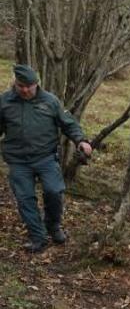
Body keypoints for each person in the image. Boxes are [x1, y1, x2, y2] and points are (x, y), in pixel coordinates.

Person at [0, 64, 92, 253]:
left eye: (29, 86)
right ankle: (38, 237)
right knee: (25, 198)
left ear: (37, 84)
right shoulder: (5, 102)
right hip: (18, 160)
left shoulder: (50, 101)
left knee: (53, 191)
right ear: (15, 84)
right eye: (20, 85)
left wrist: (81, 141)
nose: (25, 90)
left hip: (45, 158)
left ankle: (53, 225)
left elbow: (68, 124)